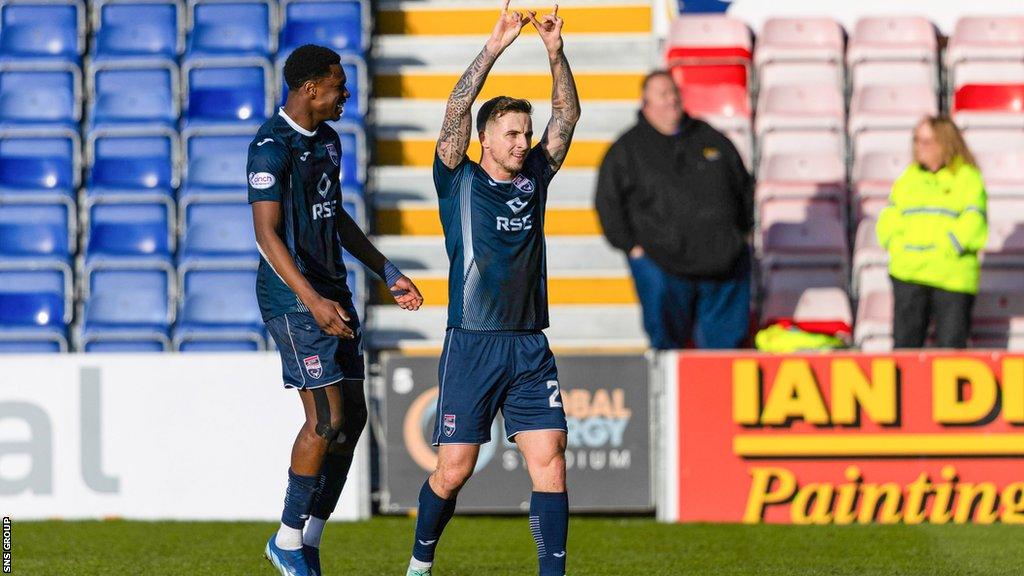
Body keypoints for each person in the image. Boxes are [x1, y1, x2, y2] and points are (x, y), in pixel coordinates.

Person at [405, 3, 580, 576]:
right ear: (483, 138)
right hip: (473, 339)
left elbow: (567, 116)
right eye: (511, 133)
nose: (523, 141)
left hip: (529, 343)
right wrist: (496, 45)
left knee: (549, 458)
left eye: (526, 133)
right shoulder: (457, 176)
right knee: (454, 468)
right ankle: (420, 563)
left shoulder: (535, 177)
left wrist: (554, 51)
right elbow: (457, 105)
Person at [249, 44, 424, 576]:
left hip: (334, 293)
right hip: (294, 298)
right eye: (338, 86)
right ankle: (285, 541)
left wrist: (385, 270)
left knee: (354, 419)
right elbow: (266, 235)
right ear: (310, 89)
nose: (346, 94)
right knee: (324, 420)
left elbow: (335, 215)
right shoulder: (269, 148)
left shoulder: (327, 142)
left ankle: (309, 539)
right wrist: (312, 300)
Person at [595, 71, 754, 350]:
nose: (671, 100)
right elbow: (608, 202)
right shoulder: (627, 149)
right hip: (663, 265)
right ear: (646, 103)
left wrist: (741, 236)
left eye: (674, 92)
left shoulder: (710, 137)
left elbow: (743, 187)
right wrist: (631, 247)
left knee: (722, 355)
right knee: (669, 352)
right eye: (663, 94)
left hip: (722, 264)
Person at [876, 116, 988, 349]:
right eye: (917, 141)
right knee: (905, 352)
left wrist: (948, 248)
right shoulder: (908, 178)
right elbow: (891, 216)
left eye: (927, 142)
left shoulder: (967, 177)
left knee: (951, 354)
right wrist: (893, 242)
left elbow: (973, 221)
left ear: (945, 143)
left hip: (951, 276)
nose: (920, 147)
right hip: (908, 273)